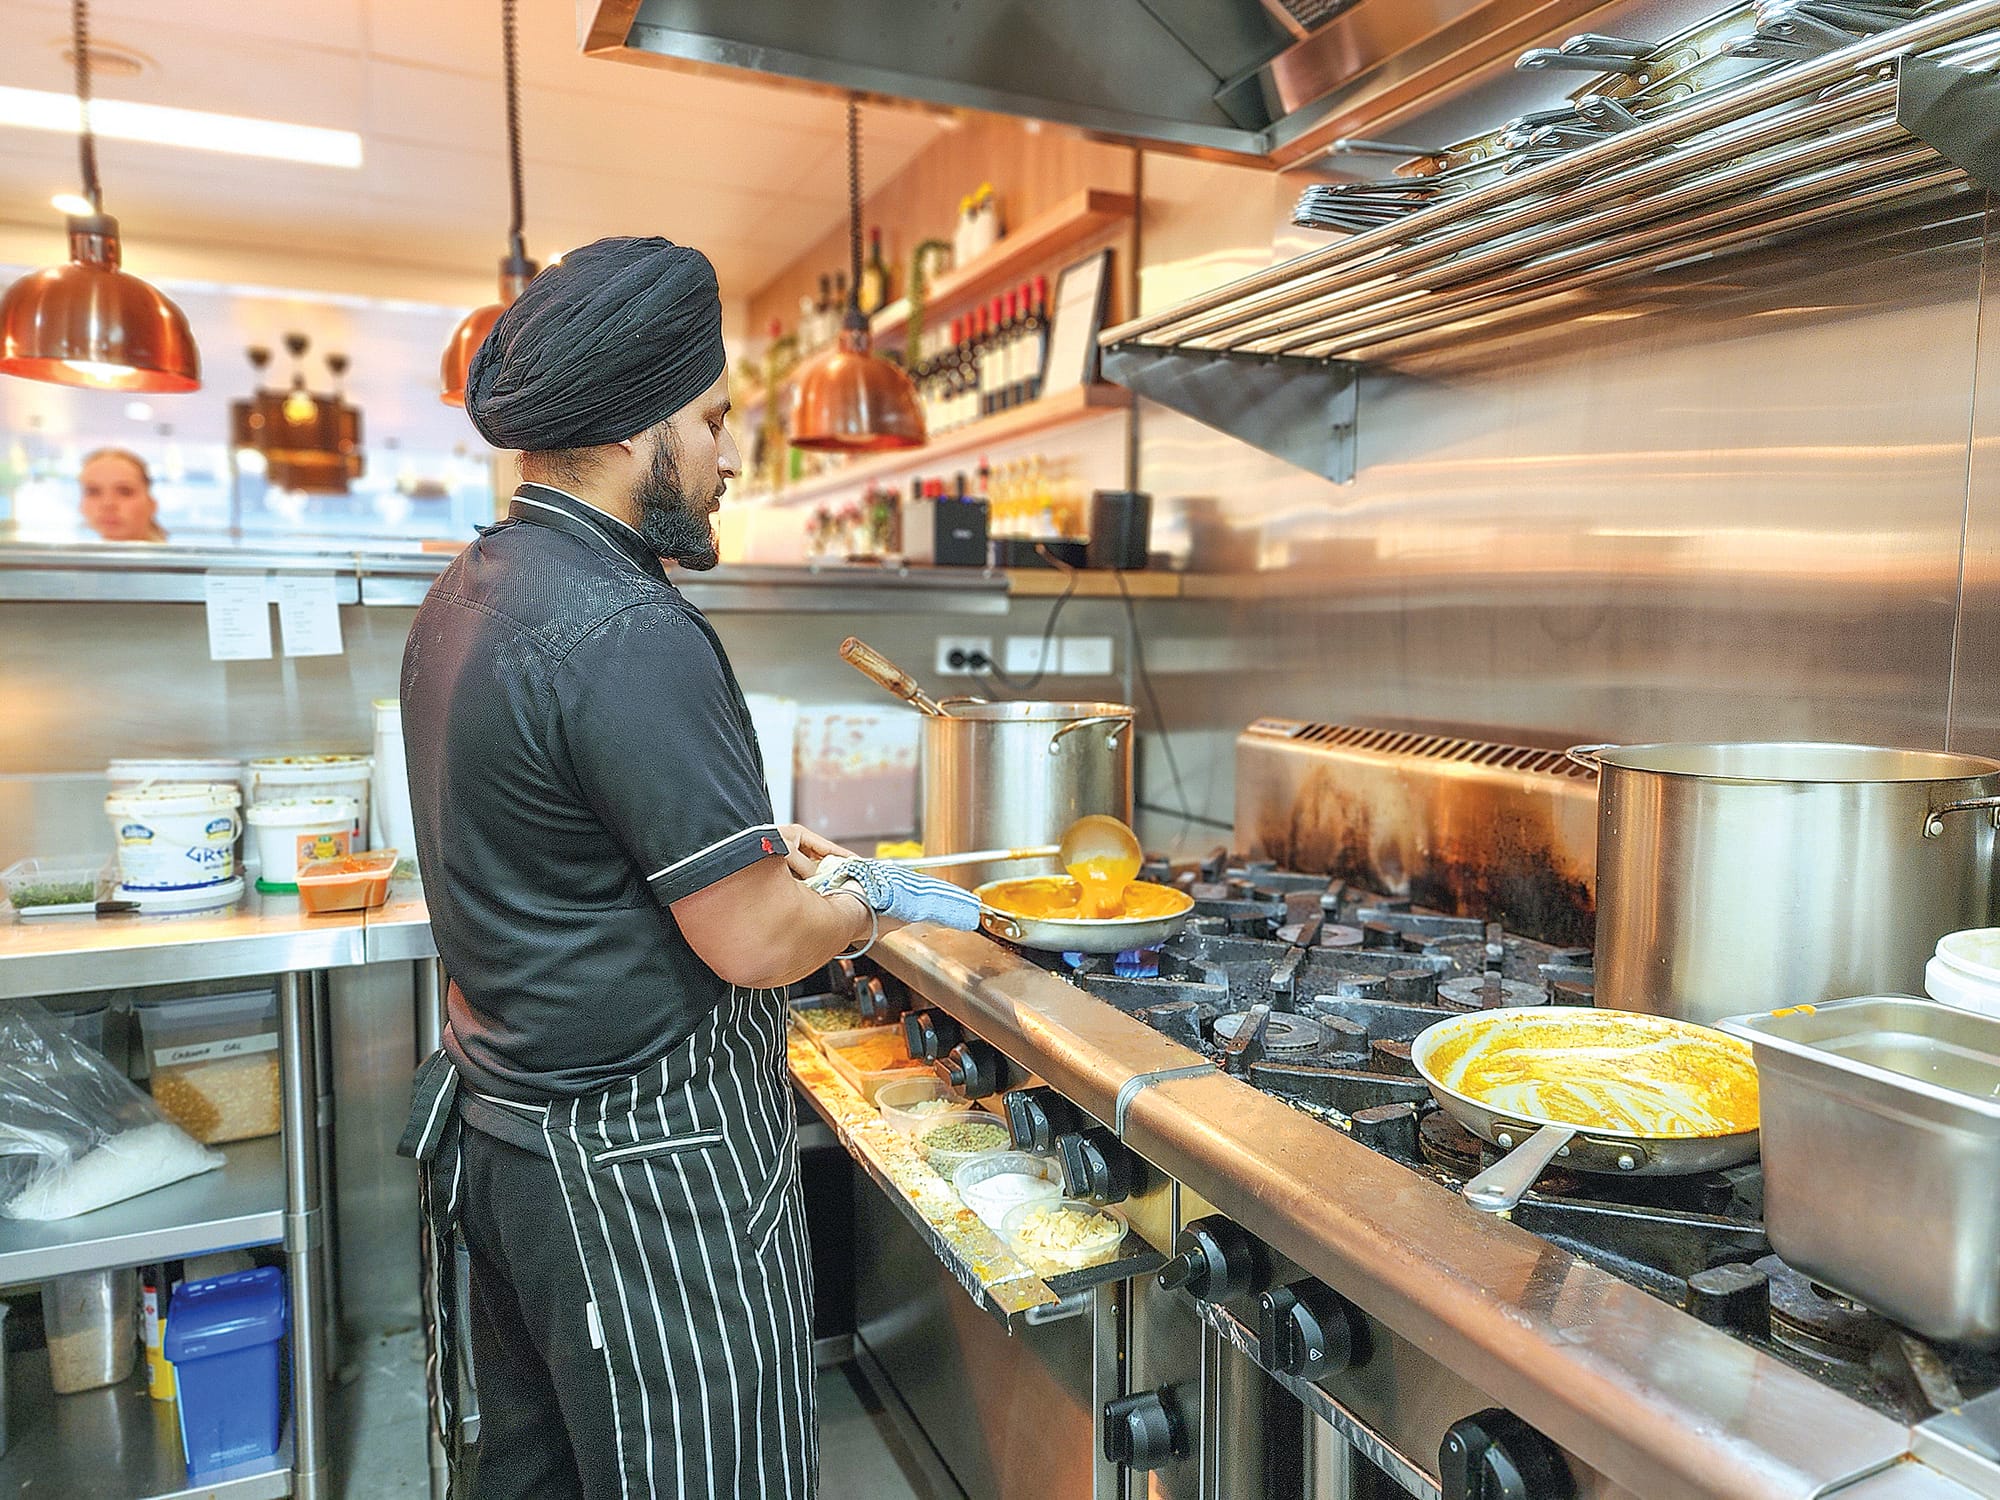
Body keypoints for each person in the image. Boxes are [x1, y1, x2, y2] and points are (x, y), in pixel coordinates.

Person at [396, 235, 976, 1500]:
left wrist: (766, 860)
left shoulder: (475, 587)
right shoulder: (628, 625)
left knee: (545, 1475)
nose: (729, 456)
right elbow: (757, 942)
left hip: (517, 1150)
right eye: (713, 420)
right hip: (641, 1185)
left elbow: (601, 848)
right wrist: (860, 893)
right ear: (637, 425)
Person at [79, 447, 167, 542]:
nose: (107, 504)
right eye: (93, 492)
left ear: (151, 504)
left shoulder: (175, 557)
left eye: (124, 492)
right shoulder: (74, 556)